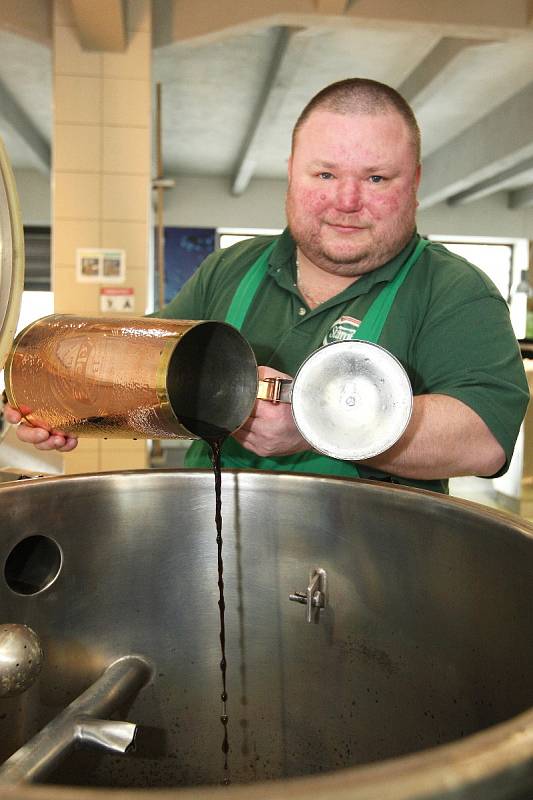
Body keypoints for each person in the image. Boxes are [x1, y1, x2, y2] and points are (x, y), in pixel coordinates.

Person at [5, 78, 529, 493]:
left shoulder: (455, 289)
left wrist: (317, 422)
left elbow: (484, 439)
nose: (346, 200)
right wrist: (67, 400)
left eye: (376, 178)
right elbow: (143, 371)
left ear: (413, 184)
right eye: (324, 175)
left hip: (373, 574)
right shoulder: (232, 267)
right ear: (291, 174)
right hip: (209, 547)